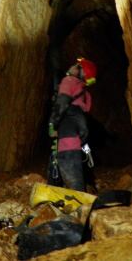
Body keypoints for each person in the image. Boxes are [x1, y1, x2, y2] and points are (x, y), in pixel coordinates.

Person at [48, 57, 97, 192]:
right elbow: (86, 109)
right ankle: (82, 193)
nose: (73, 66)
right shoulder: (85, 93)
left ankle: (79, 202)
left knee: (70, 172)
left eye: (77, 66)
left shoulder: (68, 81)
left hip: (67, 133)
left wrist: (53, 124)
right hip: (79, 135)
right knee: (76, 169)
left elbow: (62, 103)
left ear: (81, 73)